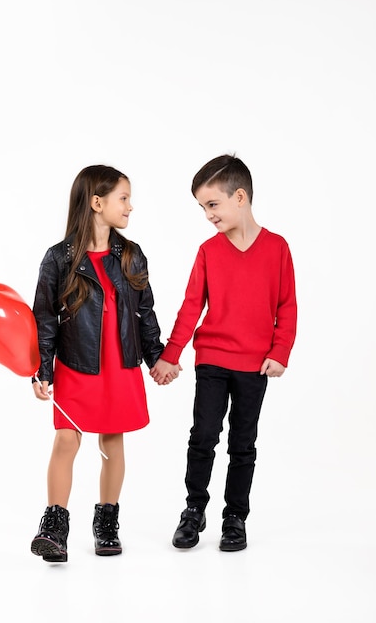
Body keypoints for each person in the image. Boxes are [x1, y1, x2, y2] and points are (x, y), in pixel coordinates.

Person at [30, 164, 180, 563]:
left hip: (120, 365)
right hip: (77, 364)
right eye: (123, 198)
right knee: (66, 439)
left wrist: (157, 358)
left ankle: (107, 522)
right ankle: (54, 526)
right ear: (97, 203)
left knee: (112, 442)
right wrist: (42, 370)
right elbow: (43, 320)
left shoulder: (131, 255)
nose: (131, 206)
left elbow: (145, 313)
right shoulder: (58, 259)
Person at [150, 154, 297, 552]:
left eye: (212, 205)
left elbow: (287, 305)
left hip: (255, 365)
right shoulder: (208, 251)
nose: (207, 215)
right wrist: (171, 354)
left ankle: (235, 518)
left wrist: (280, 350)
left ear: (240, 197)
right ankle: (193, 510)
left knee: (243, 444)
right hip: (212, 359)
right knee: (203, 436)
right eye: (202, 207)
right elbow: (190, 306)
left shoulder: (278, 248)